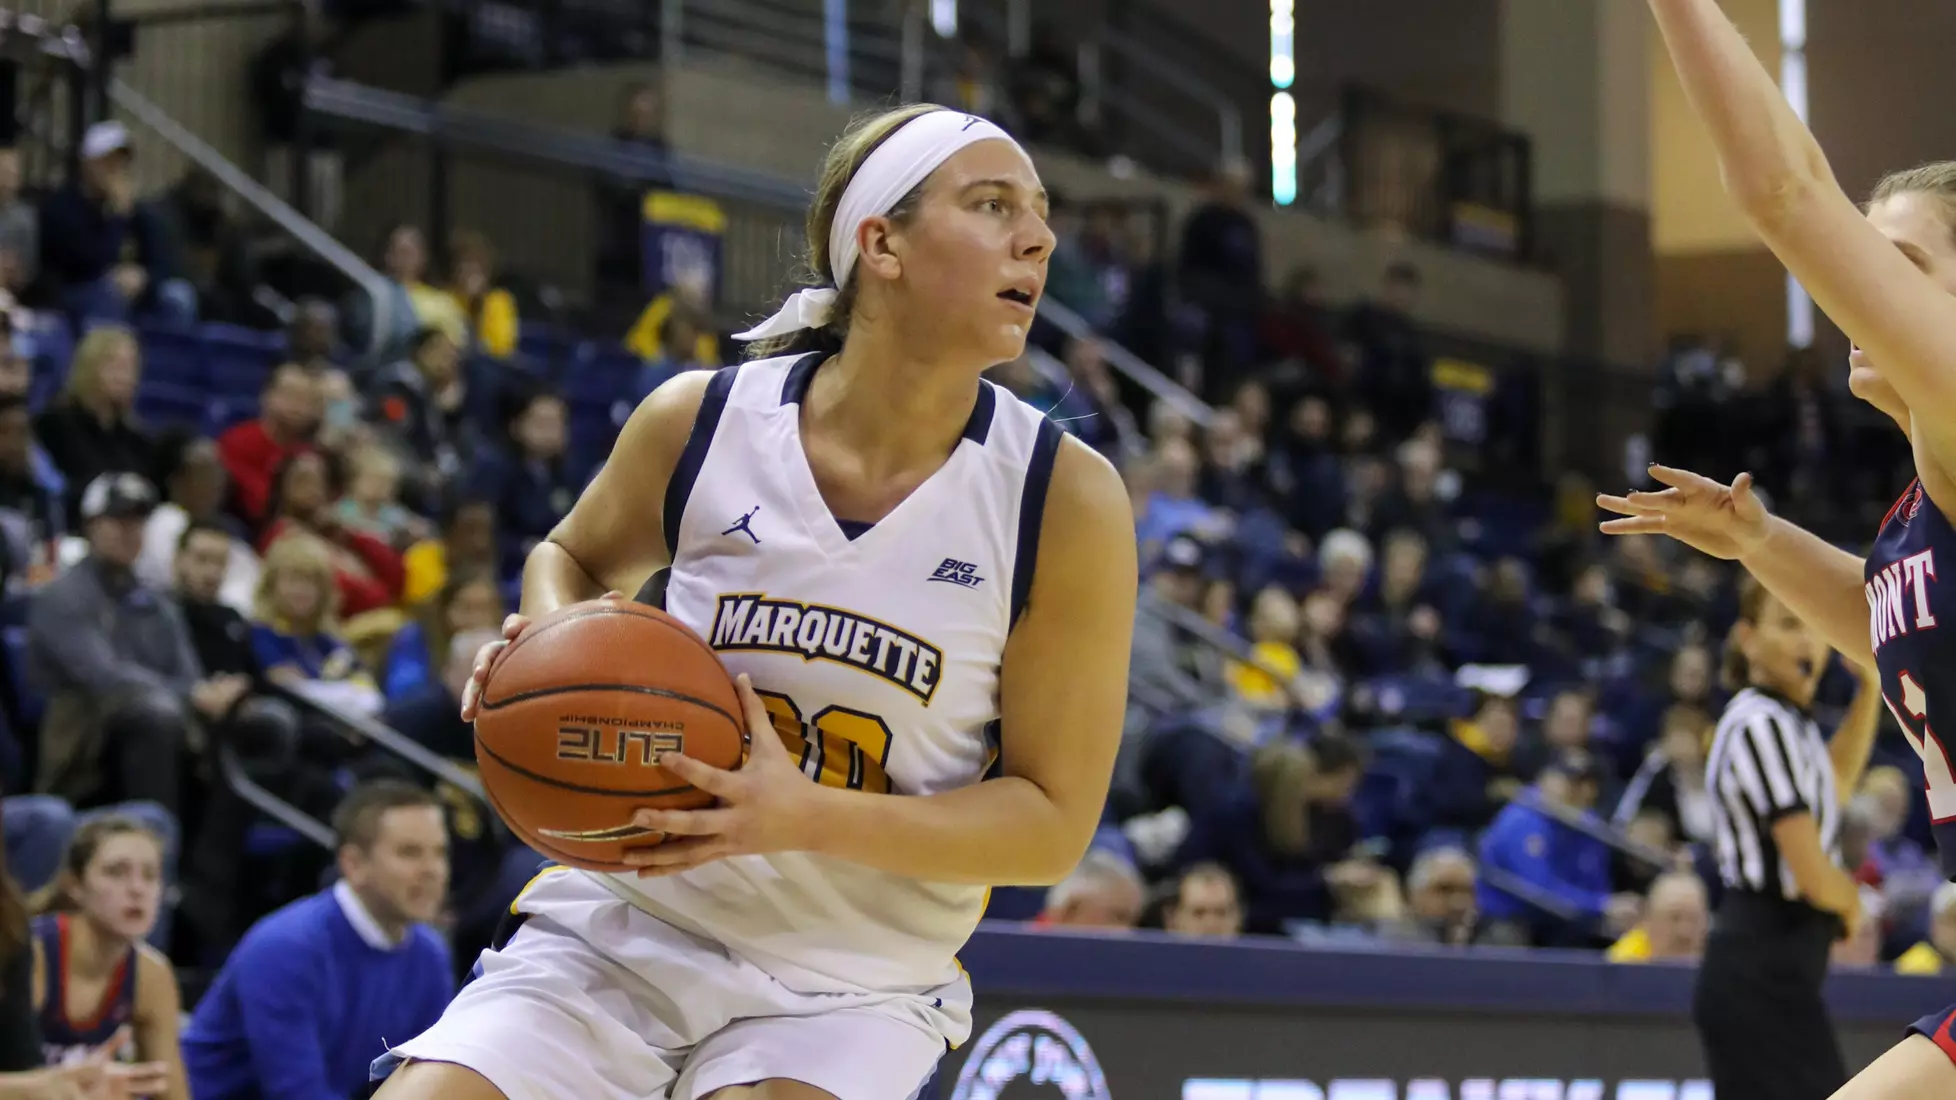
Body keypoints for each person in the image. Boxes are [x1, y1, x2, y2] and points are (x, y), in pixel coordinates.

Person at [373, 102, 1135, 1100]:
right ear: (882, 243)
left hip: (853, 975)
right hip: (633, 923)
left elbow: (1048, 825)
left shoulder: (1060, 497)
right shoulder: (704, 420)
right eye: (992, 205)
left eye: (1038, 212)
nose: (1037, 236)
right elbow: (572, 554)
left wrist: (805, 814)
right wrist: (555, 644)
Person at [1608, 0, 1956, 1093]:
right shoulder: (1921, 507)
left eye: (1898, 263)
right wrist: (1760, 540)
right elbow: (1892, 624)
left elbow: (1783, 192)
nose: (1862, 286)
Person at [1688, 580, 1880, 1098]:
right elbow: (1811, 872)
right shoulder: (1756, 722)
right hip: (1758, 970)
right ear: (1747, 638)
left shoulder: (1788, 726)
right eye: (1789, 624)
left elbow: (1833, 785)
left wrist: (1870, 691)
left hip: (1778, 977)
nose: (1808, 642)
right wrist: (1850, 902)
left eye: (1814, 628)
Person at [182, 781, 452, 1100]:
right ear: (353, 864)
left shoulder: (430, 954)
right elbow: (296, 1093)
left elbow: (430, 1081)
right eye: (410, 853)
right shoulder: (287, 948)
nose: (433, 870)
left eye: (440, 852)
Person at [27, 817, 179, 1098]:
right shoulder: (30, 956)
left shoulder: (151, 974)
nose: (137, 889)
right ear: (74, 885)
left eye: (150, 875)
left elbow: (173, 1094)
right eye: (116, 872)